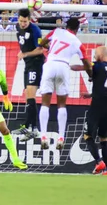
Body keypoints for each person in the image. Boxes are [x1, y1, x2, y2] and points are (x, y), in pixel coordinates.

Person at [39, 17, 92, 150]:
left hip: (50, 64)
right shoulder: (77, 42)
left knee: (45, 102)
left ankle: (43, 135)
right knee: (61, 104)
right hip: (63, 67)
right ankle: (61, 137)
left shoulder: (56, 31)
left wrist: (49, 47)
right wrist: (90, 75)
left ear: (65, 26)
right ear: (77, 29)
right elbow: (86, 62)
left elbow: (42, 42)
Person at [78, 46, 107, 176]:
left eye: (95, 54)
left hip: (97, 105)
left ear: (101, 54)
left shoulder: (97, 65)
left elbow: (86, 66)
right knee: (104, 139)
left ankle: (98, 161)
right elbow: (105, 87)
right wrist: (91, 94)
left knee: (87, 135)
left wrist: (72, 65)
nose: (94, 56)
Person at [15, 8, 44, 142]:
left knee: (31, 94)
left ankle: (34, 129)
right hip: (28, 64)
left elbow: (41, 49)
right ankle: (29, 126)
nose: (22, 24)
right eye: (21, 21)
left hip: (36, 63)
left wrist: (25, 54)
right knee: (27, 94)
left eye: (25, 22)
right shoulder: (17, 27)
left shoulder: (35, 30)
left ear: (29, 19)